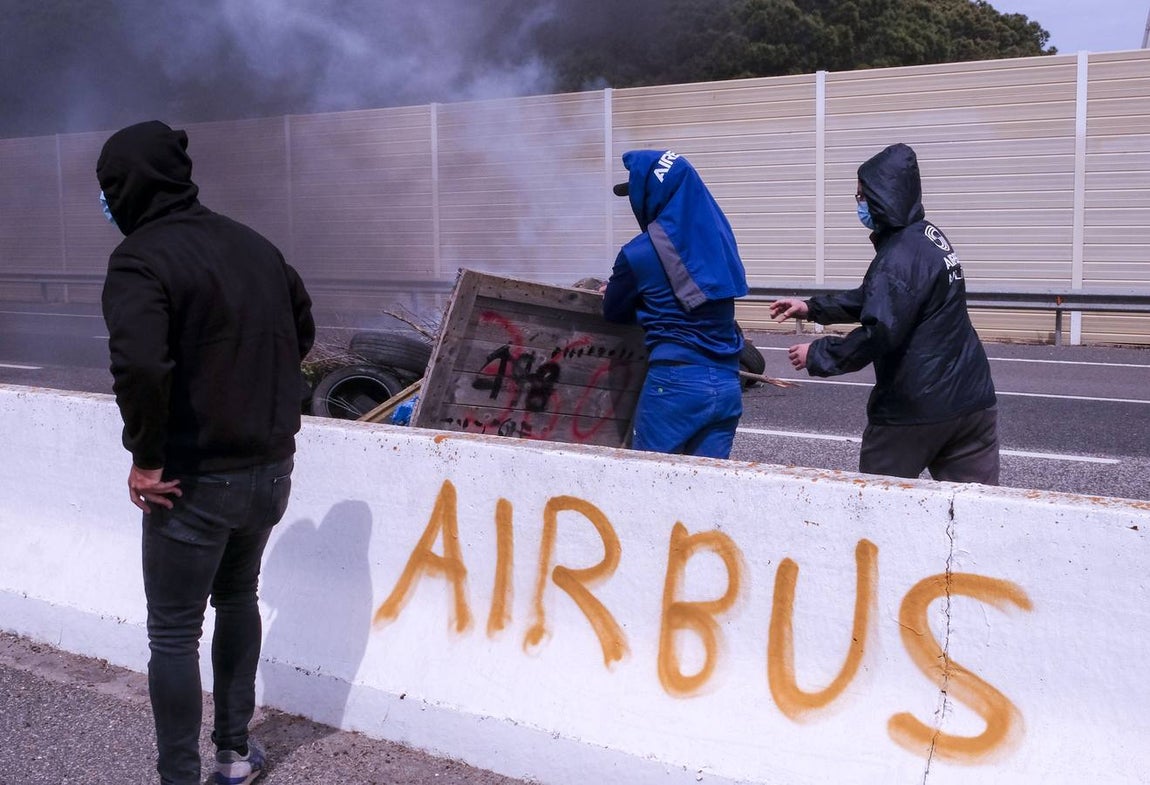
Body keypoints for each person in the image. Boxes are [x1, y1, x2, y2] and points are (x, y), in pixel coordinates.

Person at [97, 120, 315, 785]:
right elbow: (300, 329)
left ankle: (180, 775)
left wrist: (147, 454)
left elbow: (140, 365)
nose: (106, 202)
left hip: (194, 478)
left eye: (108, 188)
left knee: (172, 633)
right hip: (272, 471)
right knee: (239, 596)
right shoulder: (256, 246)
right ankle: (232, 752)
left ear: (129, 186)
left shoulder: (141, 258)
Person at [770, 142, 999, 484]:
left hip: (915, 409)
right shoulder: (927, 238)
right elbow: (879, 299)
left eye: (862, 196)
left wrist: (818, 354)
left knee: (876, 507)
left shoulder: (896, 258)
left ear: (884, 197)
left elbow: (880, 330)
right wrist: (812, 308)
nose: (859, 204)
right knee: (975, 513)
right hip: (973, 403)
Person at [603, 149, 748, 458]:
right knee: (706, 490)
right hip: (726, 385)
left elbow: (614, 311)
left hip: (674, 385)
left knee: (650, 485)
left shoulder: (638, 253)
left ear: (653, 192)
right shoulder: (721, 241)